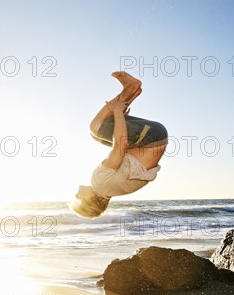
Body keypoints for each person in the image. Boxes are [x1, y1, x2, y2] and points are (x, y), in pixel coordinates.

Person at [69, 71, 168, 218]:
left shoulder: (110, 190)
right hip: (151, 136)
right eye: (78, 199)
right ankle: (131, 88)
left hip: (156, 138)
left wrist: (120, 120)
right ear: (88, 200)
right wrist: (118, 113)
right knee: (95, 127)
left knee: (97, 137)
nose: (76, 195)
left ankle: (133, 92)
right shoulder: (99, 182)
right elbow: (120, 146)